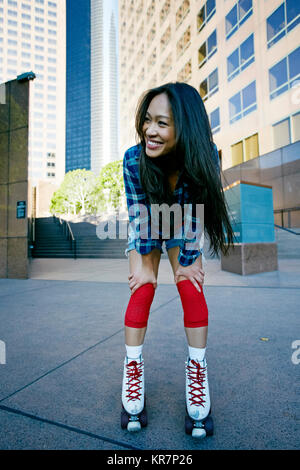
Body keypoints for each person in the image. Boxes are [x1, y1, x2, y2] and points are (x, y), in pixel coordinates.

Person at [121, 82, 234, 435]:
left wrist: (188, 258)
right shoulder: (132, 159)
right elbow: (140, 217)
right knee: (143, 286)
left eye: (162, 124)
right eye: (147, 120)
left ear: (184, 127)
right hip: (148, 220)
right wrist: (143, 264)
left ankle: (197, 369)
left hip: (184, 220)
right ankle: (133, 367)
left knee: (190, 283)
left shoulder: (204, 155)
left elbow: (195, 216)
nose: (150, 131)